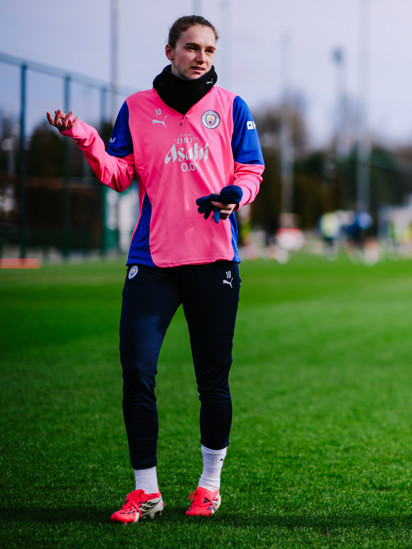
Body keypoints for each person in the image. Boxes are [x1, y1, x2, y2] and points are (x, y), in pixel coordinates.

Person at [47, 15, 264, 523]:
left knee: (213, 381)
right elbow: (119, 173)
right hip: (153, 262)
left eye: (210, 50)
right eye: (192, 48)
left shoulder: (232, 107)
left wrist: (235, 194)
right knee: (138, 372)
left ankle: (208, 485)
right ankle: (146, 491)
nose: (201, 58)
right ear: (170, 50)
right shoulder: (136, 108)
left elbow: (250, 170)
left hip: (214, 261)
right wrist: (84, 136)